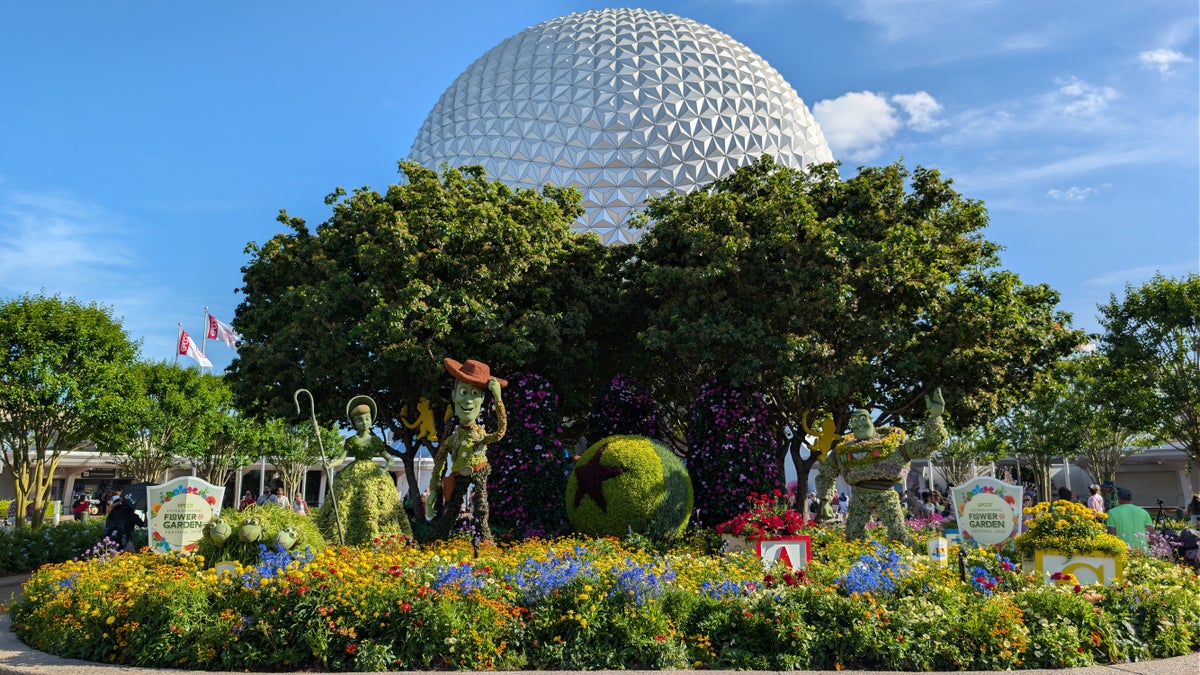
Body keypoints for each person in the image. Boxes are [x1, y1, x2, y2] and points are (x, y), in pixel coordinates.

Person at [815, 388, 947, 546]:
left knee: (898, 534)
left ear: (870, 420)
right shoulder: (843, 450)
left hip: (886, 495)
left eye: (862, 419)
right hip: (860, 496)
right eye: (854, 421)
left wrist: (935, 417)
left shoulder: (894, 444)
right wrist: (825, 499)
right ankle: (857, 562)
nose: (858, 424)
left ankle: (907, 559)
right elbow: (826, 473)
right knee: (853, 535)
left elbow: (929, 444)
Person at [427, 358, 507, 543]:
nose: (468, 399)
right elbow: (439, 463)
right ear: (454, 395)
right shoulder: (452, 439)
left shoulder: (480, 434)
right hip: (459, 474)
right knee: (451, 510)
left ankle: (485, 542)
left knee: (481, 508)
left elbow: (500, 432)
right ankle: (438, 541)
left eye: (474, 393)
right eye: (464, 392)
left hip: (479, 471)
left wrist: (498, 399)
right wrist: (433, 490)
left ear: (481, 399)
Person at [1106, 487, 1154, 552]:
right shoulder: (1143, 512)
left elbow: (1111, 535)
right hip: (1142, 550)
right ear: (1131, 498)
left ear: (1118, 498)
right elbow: (1151, 535)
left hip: (1122, 551)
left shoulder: (1112, 512)